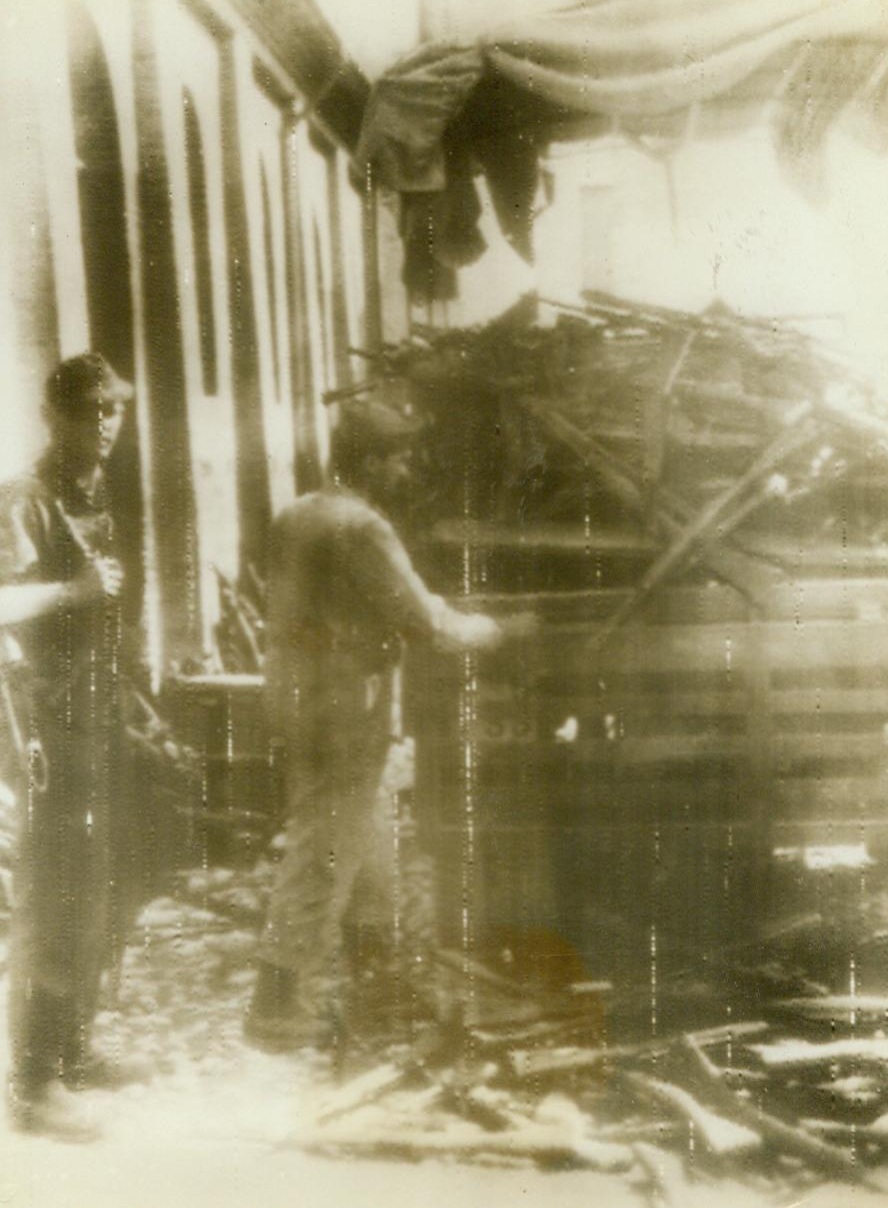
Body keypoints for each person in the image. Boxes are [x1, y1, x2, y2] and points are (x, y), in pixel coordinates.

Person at [245, 399, 503, 1052]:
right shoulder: (363, 527)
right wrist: (494, 628)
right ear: (374, 461)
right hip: (345, 709)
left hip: (297, 697)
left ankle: (375, 982)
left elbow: (374, 600)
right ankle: (275, 1005)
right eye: (398, 456)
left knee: (369, 842)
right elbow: (425, 624)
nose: (406, 467)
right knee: (324, 850)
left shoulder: (299, 513)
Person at [0, 353, 134, 1139]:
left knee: (97, 877)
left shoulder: (92, 490)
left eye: (113, 410)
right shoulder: (28, 498)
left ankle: (75, 1048)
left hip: (94, 712)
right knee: (54, 890)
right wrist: (76, 592)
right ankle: (35, 1081)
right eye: (91, 412)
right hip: (43, 722)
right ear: (58, 418)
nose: (106, 424)